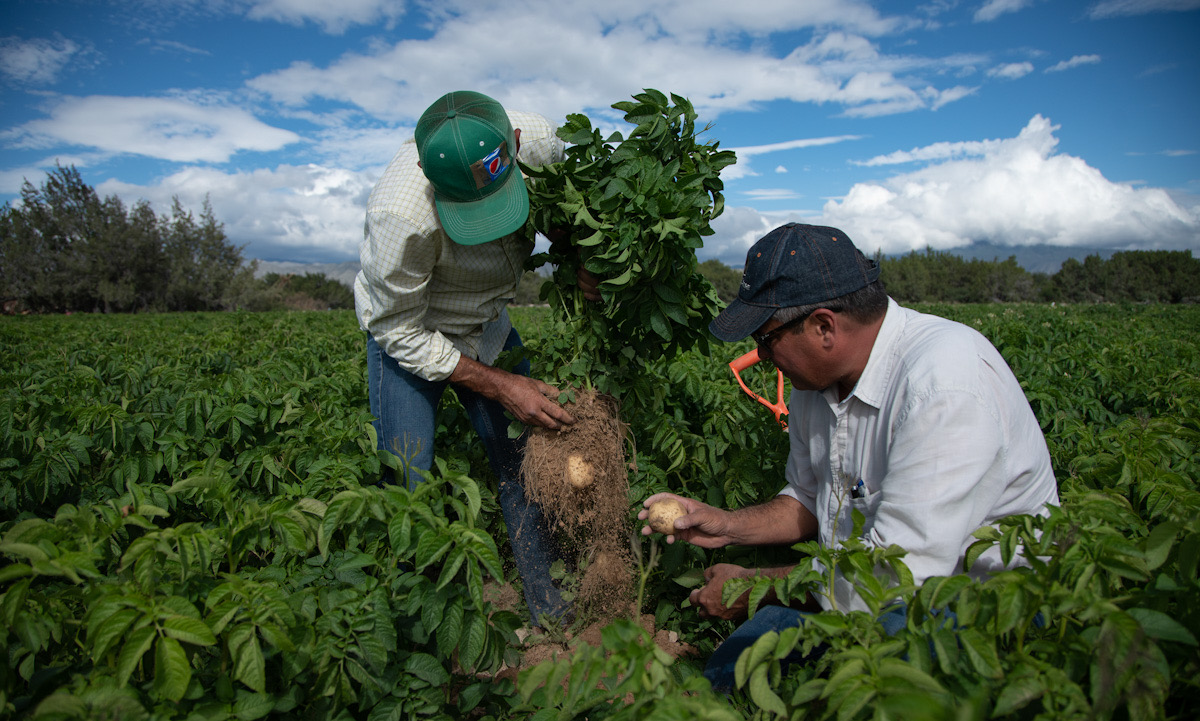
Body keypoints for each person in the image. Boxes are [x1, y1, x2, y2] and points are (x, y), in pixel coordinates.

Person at [639, 222, 1059, 688]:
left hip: (971, 605)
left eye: (766, 338)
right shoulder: (813, 388)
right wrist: (724, 525)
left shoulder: (944, 385)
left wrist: (753, 588)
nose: (762, 354)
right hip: (848, 591)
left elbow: (896, 575)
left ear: (823, 326)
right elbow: (807, 495)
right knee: (728, 673)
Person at [353, 90, 593, 625]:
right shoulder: (401, 215)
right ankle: (423, 625)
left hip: (484, 321)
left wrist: (580, 256)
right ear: (429, 177)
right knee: (407, 480)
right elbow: (397, 327)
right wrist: (503, 386)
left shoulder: (542, 143)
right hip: (414, 334)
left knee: (529, 461)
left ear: (514, 143)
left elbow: (569, 210)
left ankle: (549, 607)